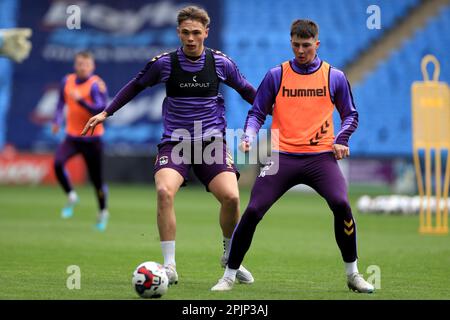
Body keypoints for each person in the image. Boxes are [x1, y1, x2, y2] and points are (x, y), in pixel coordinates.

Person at [82, 6, 256, 285]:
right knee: (164, 191)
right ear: (178, 32)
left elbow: (248, 91)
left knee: (233, 198)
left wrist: (274, 108)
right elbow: (135, 86)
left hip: (211, 142)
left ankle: (228, 253)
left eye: (196, 33)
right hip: (175, 143)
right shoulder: (164, 64)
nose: (190, 38)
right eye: (185, 32)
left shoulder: (221, 63)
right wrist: (106, 112)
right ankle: (170, 266)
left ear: (206, 33)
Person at [211, 19, 374, 293]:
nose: (301, 51)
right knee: (252, 210)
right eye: (296, 45)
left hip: (320, 157)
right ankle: (229, 275)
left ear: (317, 44)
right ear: (291, 43)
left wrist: (341, 139)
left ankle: (353, 274)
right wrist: (249, 134)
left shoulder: (334, 76)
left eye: (306, 46)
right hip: (281, 156)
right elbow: (257, 112)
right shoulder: (277, 74)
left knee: (341, 205)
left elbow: (351, 115)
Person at [52, 51, 109, 231]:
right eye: (79, 64)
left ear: (92, 67)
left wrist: (81, 101)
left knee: (96, 180)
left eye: (86, 64)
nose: (82, 67)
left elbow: (101, 108)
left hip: (92, 139)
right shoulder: (66, 81)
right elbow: (61, 103)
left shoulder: (95, 85)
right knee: (57, 163)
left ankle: (102, 212)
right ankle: (71, 195)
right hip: (72, 137)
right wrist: (57, 120)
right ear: (75, 65)